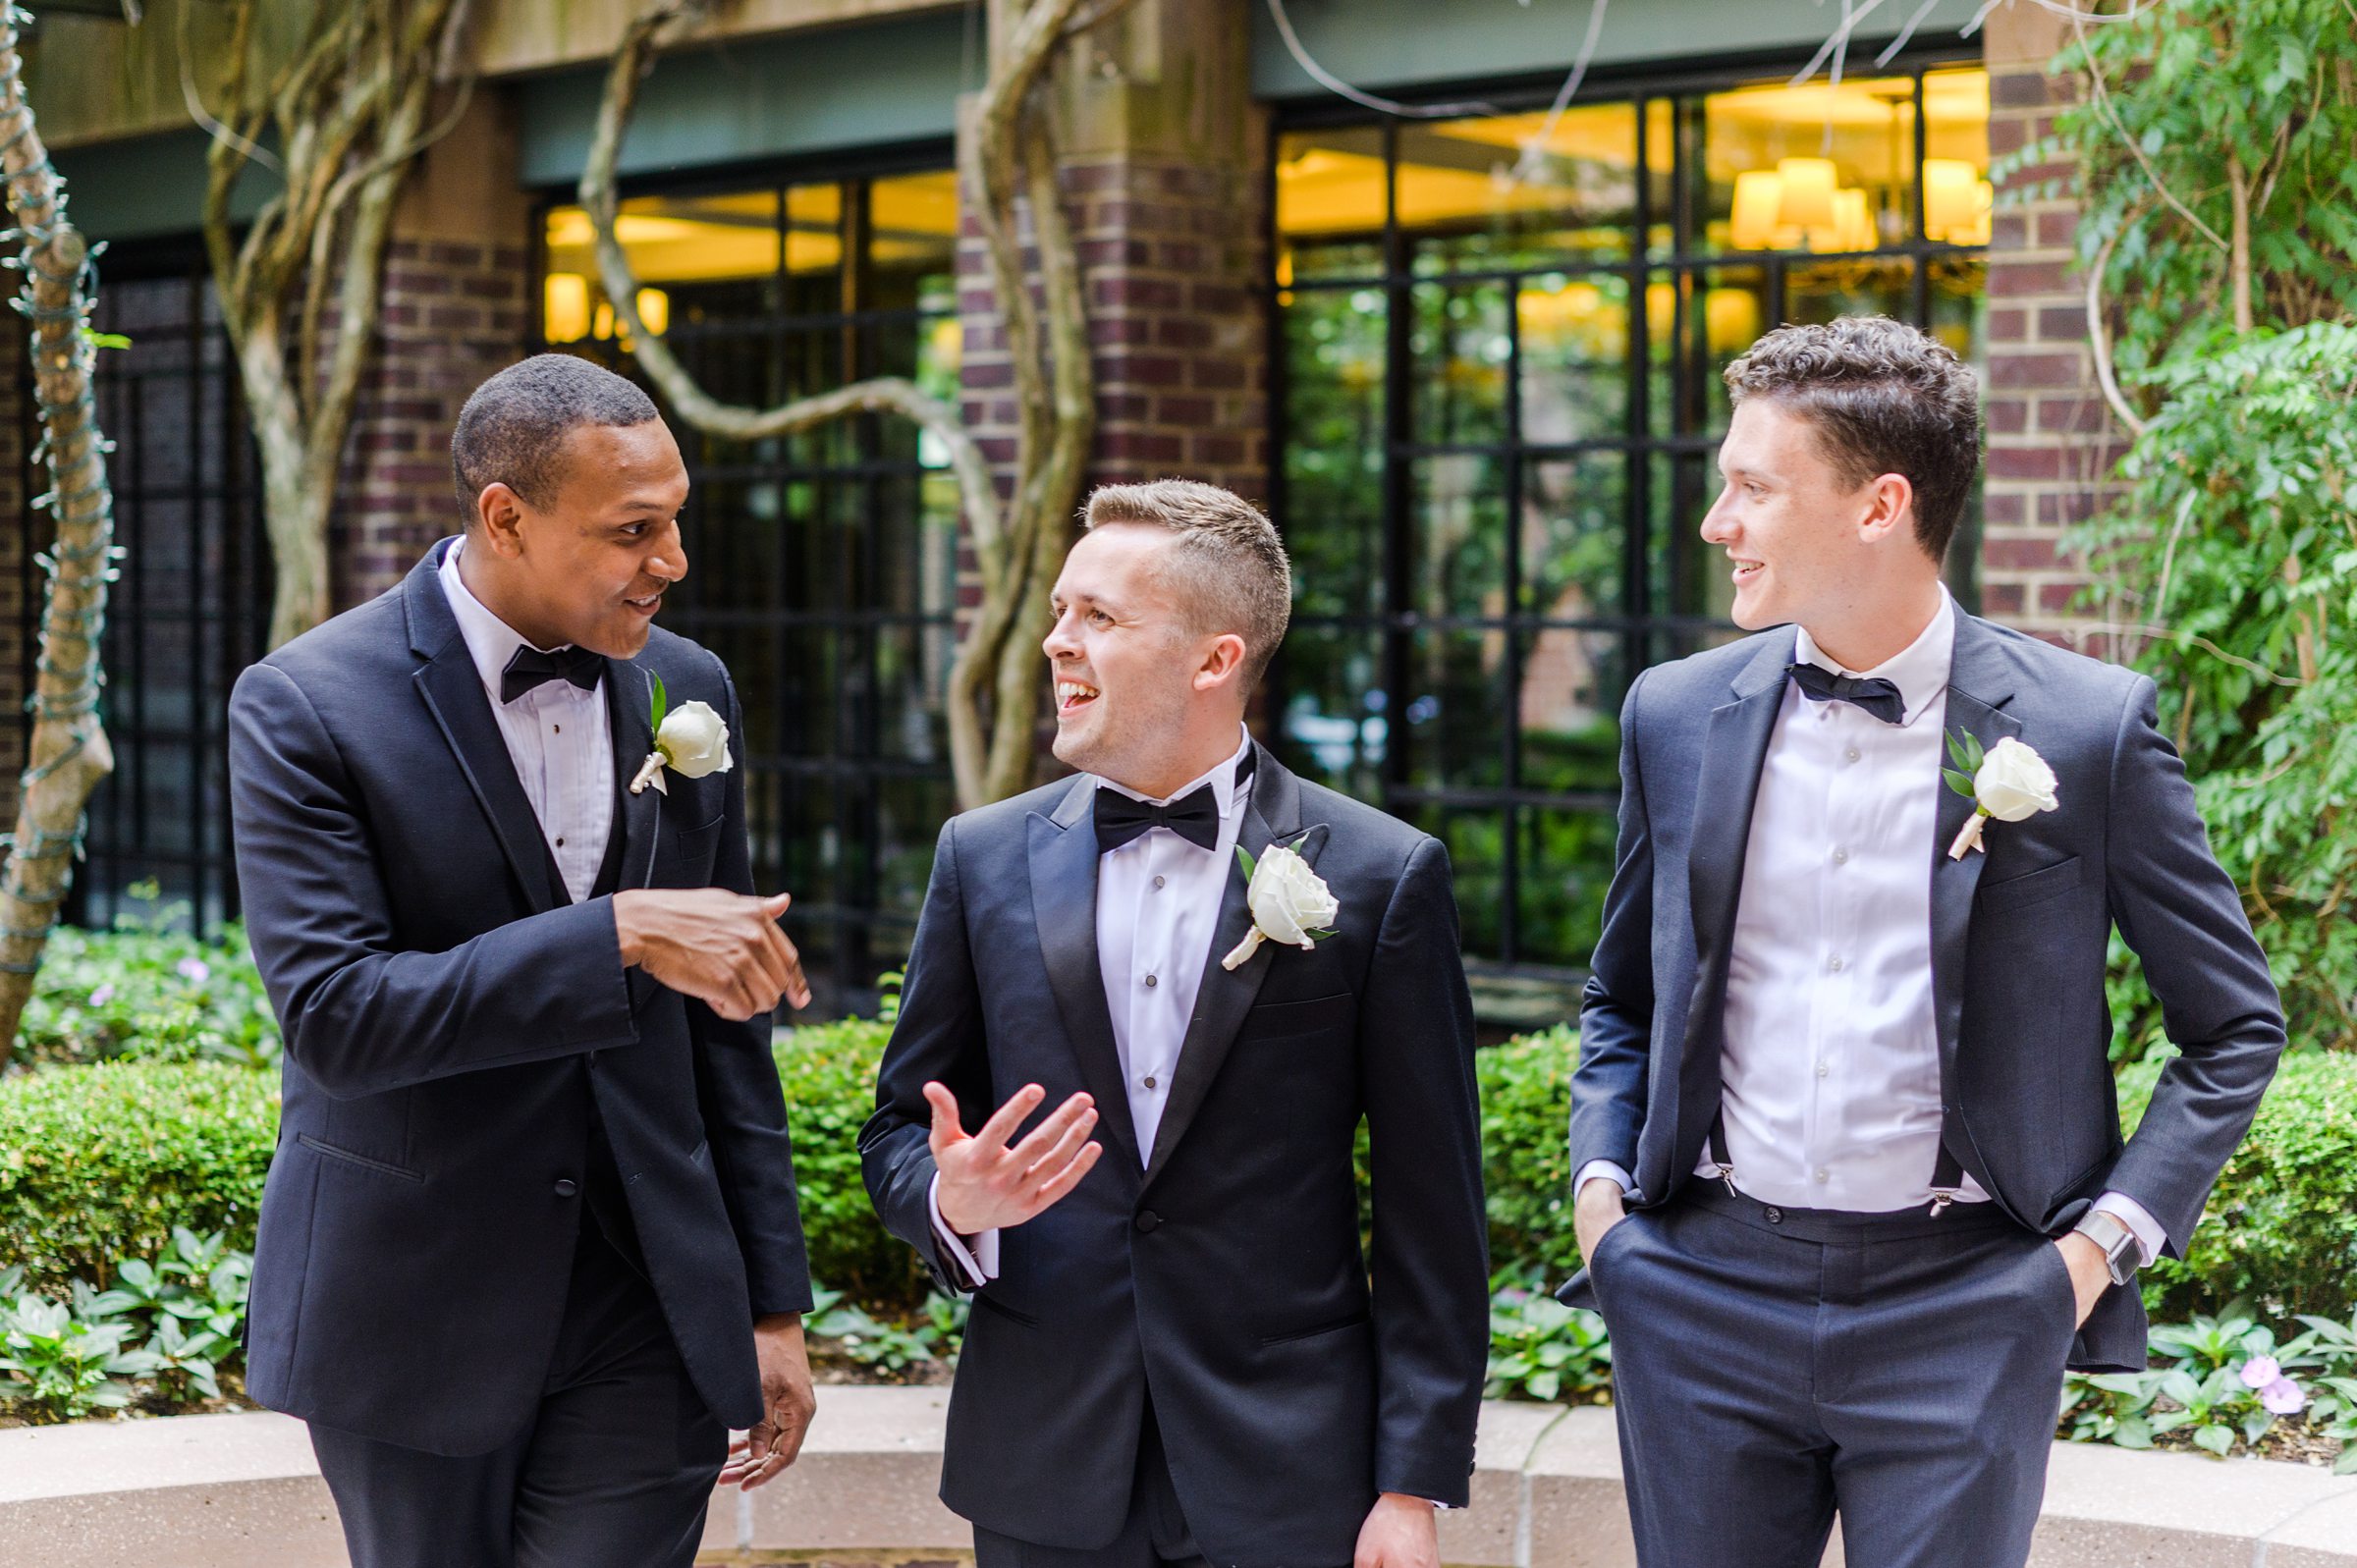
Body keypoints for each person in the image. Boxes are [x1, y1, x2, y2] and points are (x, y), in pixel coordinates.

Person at [1561, 316, 2285, 1568]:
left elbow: (2232, 1028)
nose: (1715, 522)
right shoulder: (1673, 715)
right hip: (1700, 1295)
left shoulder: (2086, 732)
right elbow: (1620, 994)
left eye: (1752, 488)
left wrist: (2088, 1258)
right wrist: (1604, 1211)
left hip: (1968, 1304)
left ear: (1879, 505)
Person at [228, 353, 819, 1568]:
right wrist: (621, 933)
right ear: (505, 515)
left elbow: (729, 1032)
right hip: (413, 1307)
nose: (673, 562)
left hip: (647, 1297)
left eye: (675, 521)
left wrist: (771, 1303)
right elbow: (338, 1016)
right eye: (634, 530)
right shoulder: (303, 705)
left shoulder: (687, 687)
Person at [860, 480, 1490, 1568]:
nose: (1058, 643)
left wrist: (1412, 1482)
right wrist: (951, 1201)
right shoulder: (981, 856)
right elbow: (897, 1131)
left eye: (1099, 618)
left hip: (1293, 1470)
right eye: (1061, 612)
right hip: (1044, 1460)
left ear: (1214, 660)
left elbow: (1434, 1207)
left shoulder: (1384, 875)